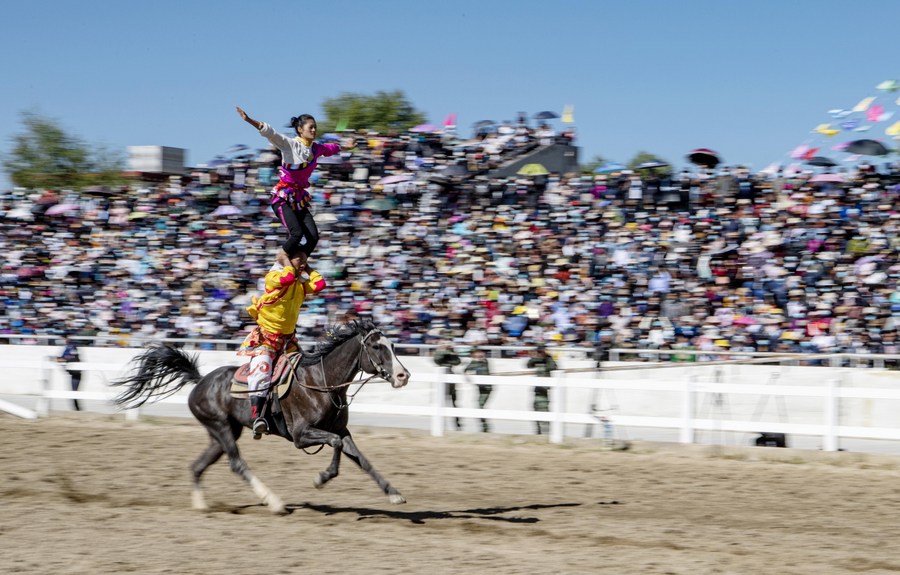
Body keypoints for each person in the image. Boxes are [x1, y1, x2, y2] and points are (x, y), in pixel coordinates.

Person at [236, 106, 353, 267]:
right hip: (283, 197)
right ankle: (282, 257)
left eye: (315, 127)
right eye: (310, 127)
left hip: (299, 199)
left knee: (313, 237)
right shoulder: (290, 145)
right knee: (296, 234)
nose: (314, 130)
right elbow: (270, 133)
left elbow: (331, 148)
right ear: (300, 129)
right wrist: (249, 120)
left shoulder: (316, 148)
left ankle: (298, 261)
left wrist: (346, 146)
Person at [237, 248, 326, 438]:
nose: (303, 263)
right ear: (286, 260)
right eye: (299, 260)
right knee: (261, 371)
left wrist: (305, 266)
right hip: (266, 339)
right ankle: (257, 417)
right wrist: (285, 259)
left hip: (288, 341)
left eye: (305, 260)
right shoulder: (273, 277)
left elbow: (320, 284)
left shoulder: (300, 285)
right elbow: (287, 277)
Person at [526, 343, 557, 435]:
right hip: (537, 389)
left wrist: (546, 357)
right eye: (539, 350)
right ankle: (538, 430)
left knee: (544, 409)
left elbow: (552, 367)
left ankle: (547, 431)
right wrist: (536, 357)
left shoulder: (549, 359)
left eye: (542, 350)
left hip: (544, 389)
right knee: (535, 408)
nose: (540, 352)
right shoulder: (536, 359)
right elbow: (528, 365)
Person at [432, 337, 462, 430]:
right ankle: (441, 425)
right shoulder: (438, 352)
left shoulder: (451, 351)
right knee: (441, 401)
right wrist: (445, 350)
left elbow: (457, 362)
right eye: (443, 343)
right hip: (441, 376)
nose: (446, 344)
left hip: (450, 375)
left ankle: (457, 425)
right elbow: (437, 360)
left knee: (454, 402)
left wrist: (451, 352)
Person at [463, 345, 492, 432]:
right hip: (480, 387)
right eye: (474, 353)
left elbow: (480, 366)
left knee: (480, 405)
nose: (476, 354)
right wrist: (466, 373)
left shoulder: (484, 361)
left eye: (477, 352)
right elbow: (466, 369)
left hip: (486, 387)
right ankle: (484, 426)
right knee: (479, 405)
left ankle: (485, 427)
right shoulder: (474, 361)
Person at [56, 336, 81, 411]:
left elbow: (74, 357)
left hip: (76, 373)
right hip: (72, 373)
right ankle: (76, 409)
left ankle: (77, 409)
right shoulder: (66, 348)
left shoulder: (73, 347)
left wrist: (63, 359)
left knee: (74, 392)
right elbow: (61, 357)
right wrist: (59, 358)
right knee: (72, 392)